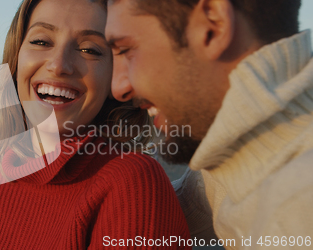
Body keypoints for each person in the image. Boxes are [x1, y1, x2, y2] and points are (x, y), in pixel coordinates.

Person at [0, 0, 192, 249]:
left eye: (90, 49)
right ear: (15, 60)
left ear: (116, 77)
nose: (58, 65)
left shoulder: (130, 181)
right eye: (41, 41)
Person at [104, 0, 313, 247]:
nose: (118, 87)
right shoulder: (233, 160)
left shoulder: (299, 204)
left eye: (126, 50)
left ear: (214, 25)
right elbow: (154, 214)